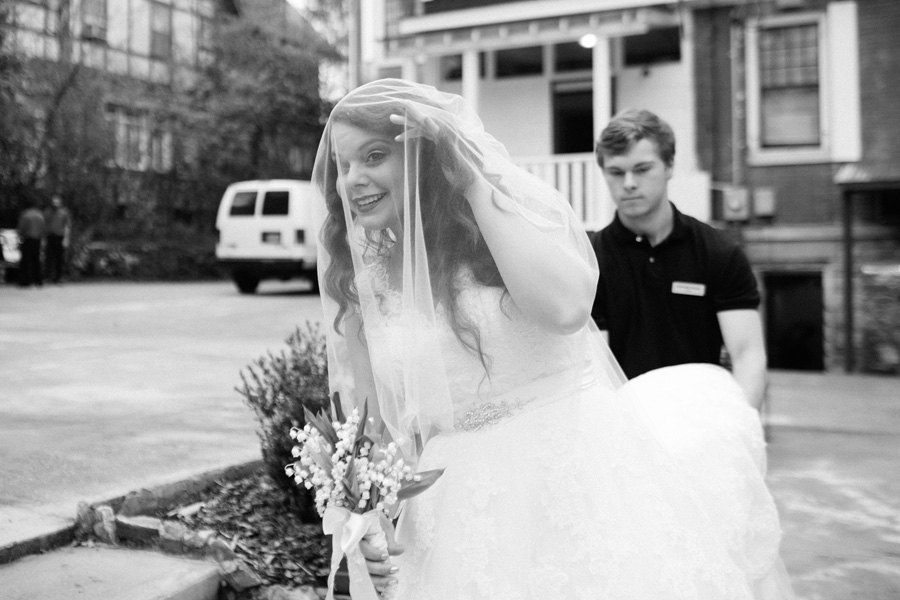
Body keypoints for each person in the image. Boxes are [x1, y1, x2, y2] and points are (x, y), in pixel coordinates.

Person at [312, 79, 794, 599]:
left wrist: (472, 181)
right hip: (454, 506)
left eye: (375, 155)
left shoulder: (496, 224)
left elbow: (566, 311)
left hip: (571, 475)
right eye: (343, 164)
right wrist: (367, 519)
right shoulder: (363, 286)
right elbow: (369, 430)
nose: (354, 178)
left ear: (426, 156)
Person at [591, 109, 768, 409]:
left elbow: (747, 355)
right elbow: (594, 369)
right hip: (624, 429)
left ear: (670, 165)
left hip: (700, 424)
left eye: (642, 169)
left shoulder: (718, 252)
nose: (629, 183)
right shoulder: (590, 261)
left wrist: (739, 432)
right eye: (617, 172)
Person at [17, 200, 46, 287]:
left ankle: (25, 280)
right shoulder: (40, 215)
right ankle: (38, 280)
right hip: (37, 239)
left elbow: (21, 228)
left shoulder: (25, 214)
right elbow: (43, 228)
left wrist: (19, 236)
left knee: (26, 260)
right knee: (36, 260)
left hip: (27, 239)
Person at [44, 194, 72, 284]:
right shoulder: (47, 212)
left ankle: (59, 277)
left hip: (60, 237)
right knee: (49, 258)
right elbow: (44, 225)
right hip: (50, 236)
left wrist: (66, 239)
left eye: (57, 202)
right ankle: (49, 277)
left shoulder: (64, 212)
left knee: (60, 258)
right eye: (54, 202)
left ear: (60, 203)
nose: (55, 204)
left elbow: (67, 226)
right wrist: (43, 238)